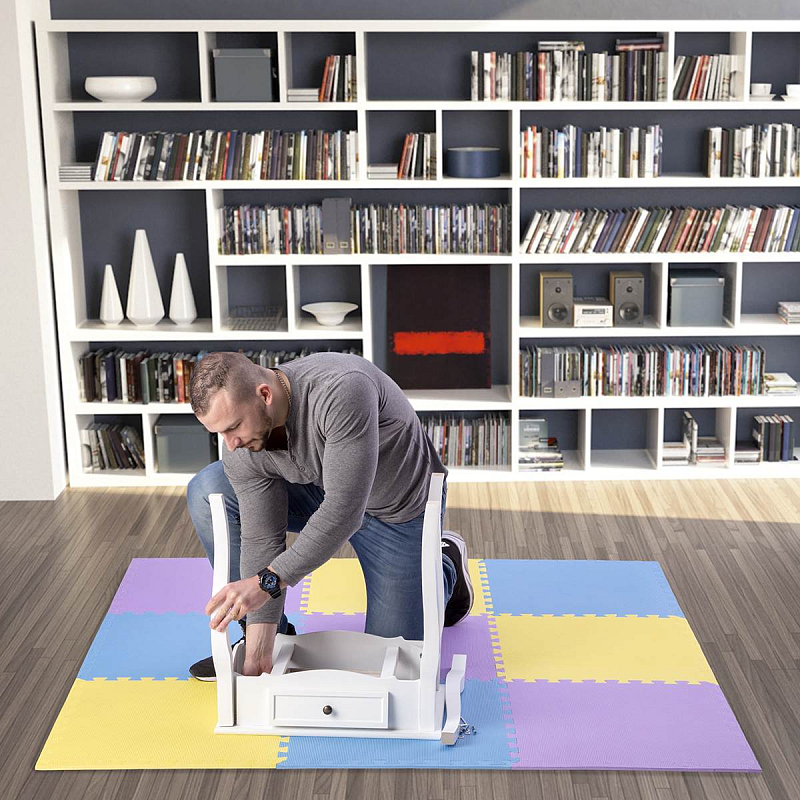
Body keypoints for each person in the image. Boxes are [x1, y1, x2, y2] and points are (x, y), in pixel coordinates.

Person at [185, 350, 474, 680]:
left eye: (234, 427)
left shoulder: (342, 389)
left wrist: (265, 583)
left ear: (264, 395)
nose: (230, 443)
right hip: (321, 489)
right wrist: (259, 653)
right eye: (220, 433)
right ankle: (273, 635)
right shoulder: (241, 444)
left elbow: (344, 510)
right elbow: (261, 535)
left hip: (395, 511)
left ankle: (446, 567)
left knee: (396, 668)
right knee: (209, 489)